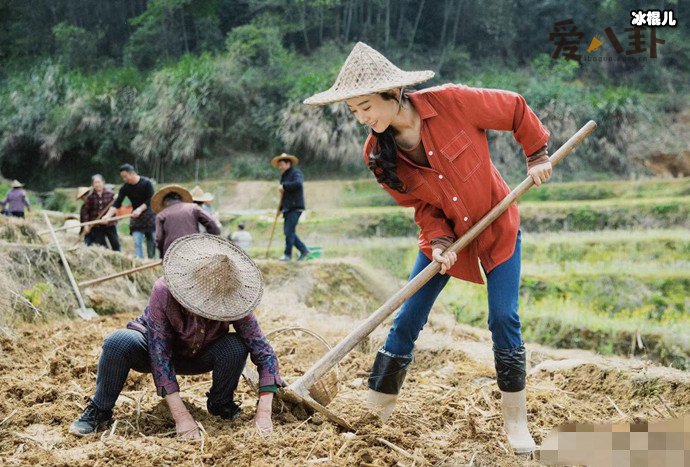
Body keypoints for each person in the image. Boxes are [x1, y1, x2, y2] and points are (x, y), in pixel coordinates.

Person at [304, 42, 552, 454]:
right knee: (406, 320)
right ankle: (374, 415)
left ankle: (516, 424)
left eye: (367, 106)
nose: (363, 118)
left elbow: (513, 108)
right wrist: (439, 242)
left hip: (497, 230)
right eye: (354, 112)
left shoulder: (452, 103)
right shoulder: (377, 153)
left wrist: (537, 155)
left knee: (503, 318)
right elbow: (421, 204)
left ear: (394, 94)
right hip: (445, 240)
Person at [69, 234, 282, 438]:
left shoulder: (234, 299)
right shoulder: (164, 290)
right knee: (118, 342)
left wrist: (264, 412)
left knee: (236, 345)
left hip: (202, 355)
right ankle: (100, 409)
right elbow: (159, 352)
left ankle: (220, 404)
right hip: (154, 351)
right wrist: (181, 417)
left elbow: (263, 351)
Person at [151, 185, 221, 259]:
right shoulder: (193, 207)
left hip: (172, 253)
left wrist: (163, 255)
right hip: (193, 248)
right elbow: (211, 222)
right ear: (181, 199)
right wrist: (214, 239)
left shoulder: (161, 215)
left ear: (165, 203)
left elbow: (159, 238)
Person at [103, 164, 156, 259]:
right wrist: (107, 216)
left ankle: (151, 262)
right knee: (136, 241)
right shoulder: (125, 188)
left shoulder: (146, 183)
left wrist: (140, 209)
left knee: (151, 241)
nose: (124, 179)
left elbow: (150, 199)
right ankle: (139, 262)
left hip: (149, 215)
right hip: (136, 216)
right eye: (122, 177)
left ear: (132, 173)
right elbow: (117, 203)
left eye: (125, 176)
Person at [271, 153, 309, 261]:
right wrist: (279, 209)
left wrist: (284, 186)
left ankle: (287, 255)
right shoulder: (284, 176)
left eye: (282, 164)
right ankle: (304, 250)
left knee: (288, 231)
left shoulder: (296, 173)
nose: (280, 167)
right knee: (288, 232)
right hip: (287, 207)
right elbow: (284, 195)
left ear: (288, 163)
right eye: (279, 165)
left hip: (295, 207)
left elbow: (298, 184)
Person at [81, 175, 120, 251]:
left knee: (115, 244)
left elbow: (116, 207)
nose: (97, 184)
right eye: (95, 183)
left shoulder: (111, 195)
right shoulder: (90, 197)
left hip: (110, 224)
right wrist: (86, 225)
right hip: (97, 226)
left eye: (99, 182)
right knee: (101, 247)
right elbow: (85, 212)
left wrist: (109, 217)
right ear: (92, 185)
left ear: (103, 182)